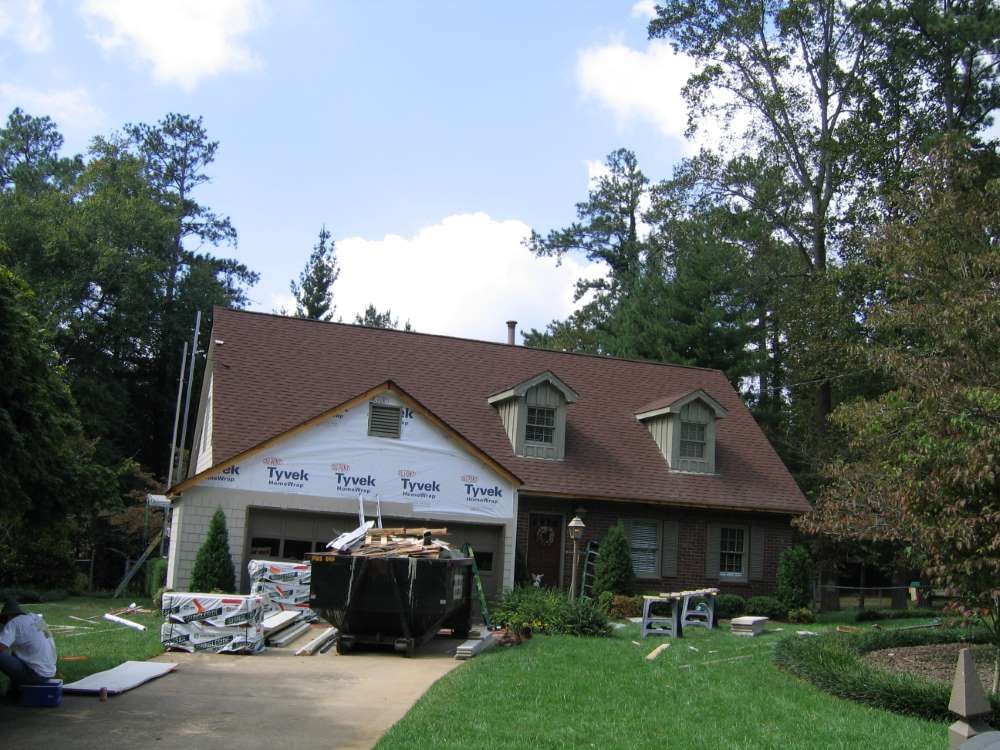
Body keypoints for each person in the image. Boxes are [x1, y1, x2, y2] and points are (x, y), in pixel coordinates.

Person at [0, 597, 57, 702]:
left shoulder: (13, 624)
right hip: (48, 672)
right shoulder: (35, 618)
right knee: (15, 653)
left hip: (35, 675)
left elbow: (1, 647)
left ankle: (13, 694)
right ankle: (14, 693)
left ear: (8, 616)